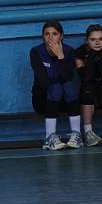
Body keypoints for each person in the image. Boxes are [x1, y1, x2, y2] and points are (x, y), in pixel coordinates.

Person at [30, 20, 81, 150]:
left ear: (61, 36)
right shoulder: (36, 52)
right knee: (56, 87)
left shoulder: (69, 51)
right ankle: (49, 137)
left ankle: (77, 135)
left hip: (65, 101)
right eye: (47, 34)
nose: (51, 37)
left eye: (55, 34)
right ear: (43, 36)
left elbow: (68, 76)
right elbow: (43, 80)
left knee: (69, 86)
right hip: (43, 99)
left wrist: (60, 56)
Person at [74, 24, 102, 144]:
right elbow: (85, 77)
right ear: (86, 40)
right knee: (87, 89)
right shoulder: (79, 52)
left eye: (101, 39)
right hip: (89, 91)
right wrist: (91, 56)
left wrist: (101, 56)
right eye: (93, 39)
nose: (97, 43)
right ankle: (88, 132)